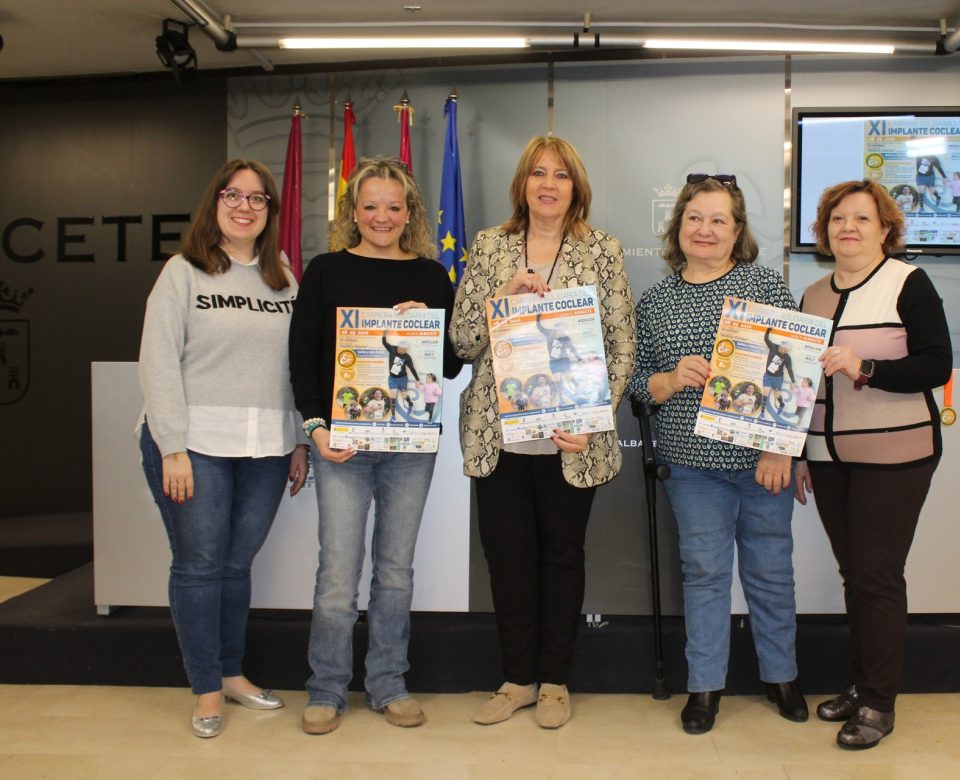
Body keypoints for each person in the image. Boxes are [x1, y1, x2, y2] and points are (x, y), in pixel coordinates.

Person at [451, 135, 635, 730]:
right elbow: (462, 342)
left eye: (560, 174)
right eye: (538, 173)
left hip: (569, 441)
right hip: (498, 436)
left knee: (561, 557)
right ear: (522, 184)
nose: (548, 184)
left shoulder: (601, 250)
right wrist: (499, 299)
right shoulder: (489, 246)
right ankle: (517, 679)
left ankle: (554, 680)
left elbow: (621, 346)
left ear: (576, 186)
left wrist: (589, 418)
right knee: (508, 561)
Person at [627, 173, 807, 735]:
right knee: (704, 575)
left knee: (770, 572)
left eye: (717, 220)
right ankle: (704, 687)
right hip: (691, 468)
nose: (704, 229)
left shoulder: (764, 286)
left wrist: (780, 449)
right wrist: (667, 379)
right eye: (694, 218)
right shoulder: (656, 300)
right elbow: (635, 381)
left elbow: (795, 371)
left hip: (761, 465)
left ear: (736, 231)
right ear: (678, 225)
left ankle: (782, 676)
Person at [289, 156, 463, 735]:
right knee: (338, 574)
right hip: (342, 445)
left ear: (410, 212)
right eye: (370, 206)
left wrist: (430, 324)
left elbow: (451, 365)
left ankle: (389, 683)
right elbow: (302, 357)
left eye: (393, 206)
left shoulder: (432, 276)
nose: (381, 217)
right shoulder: (325, 271)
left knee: (395, 572)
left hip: (411, 445)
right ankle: (327, 688)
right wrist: (315, 428)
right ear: (353, 211)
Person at [137, 159, 308, 738]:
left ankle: (232, 673)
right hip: (195, 446)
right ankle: (206, 687)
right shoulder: (183, 272)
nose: (244, 207)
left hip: (266, 447)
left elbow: (296, 365)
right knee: (200, 566)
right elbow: (158, 361)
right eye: (233, 195)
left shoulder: (283, 278)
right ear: (215, 203)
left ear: (270, 211)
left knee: (236, 566)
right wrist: (171, 446)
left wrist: (299, 438)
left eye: (257, 199)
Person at [793, 179, 952, 750]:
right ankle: (861, 686)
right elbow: (798, 384)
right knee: (854, 574)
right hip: (828, 456)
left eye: (862, 218)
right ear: (824, 230)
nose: (848, 228)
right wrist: (799, 450)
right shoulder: (811, 294)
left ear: (885, 229)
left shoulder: (908, 282)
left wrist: (867, 368)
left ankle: (879, 703)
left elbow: (936, 365)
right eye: (838, 218)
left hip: (895, 454)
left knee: (877, 576)